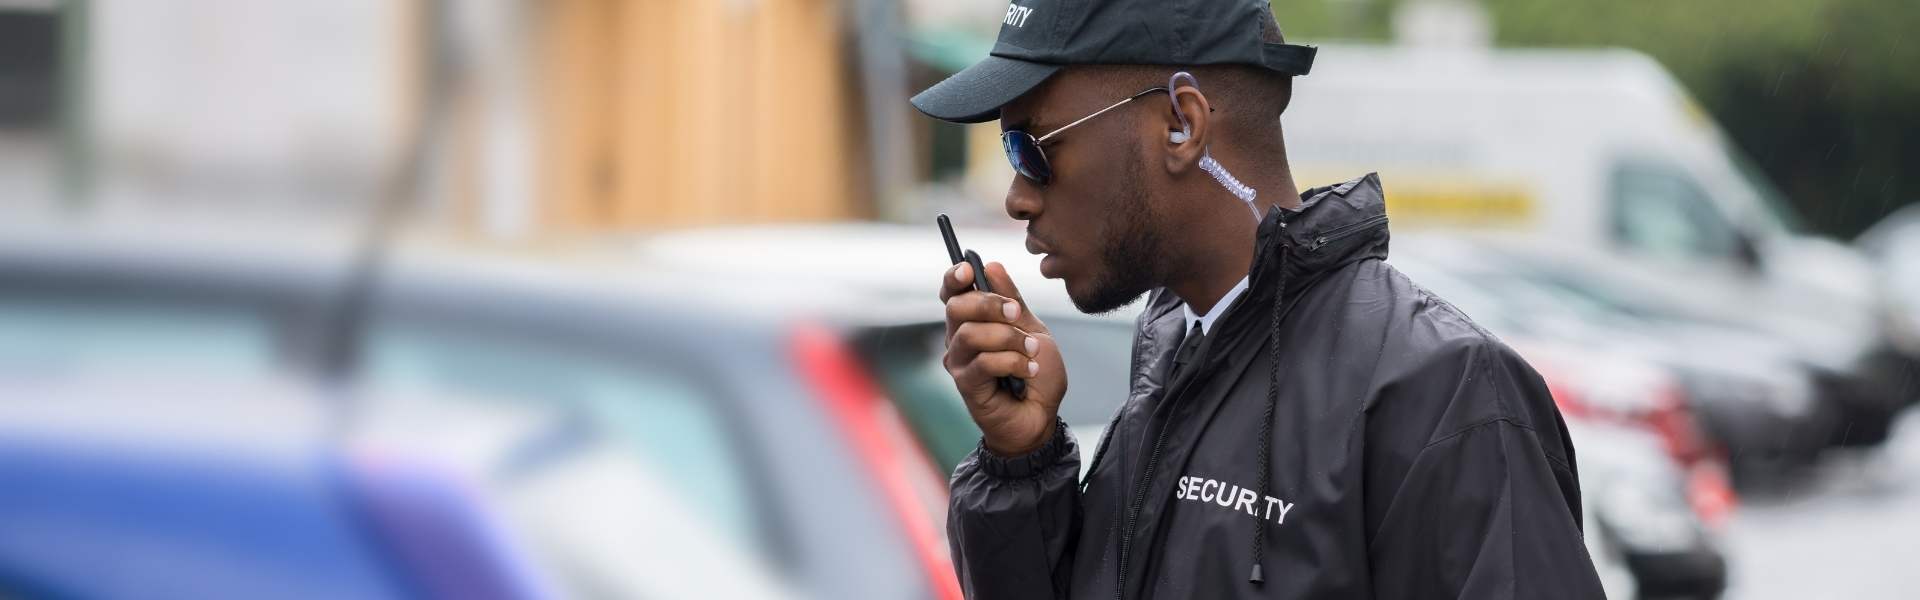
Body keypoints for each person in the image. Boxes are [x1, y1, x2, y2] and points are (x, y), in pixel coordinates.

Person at [916, 1, 1605, 598]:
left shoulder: (1442, 392)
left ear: (1182, 127)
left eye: (1030, 145)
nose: (1016, 196)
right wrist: (1023, 461)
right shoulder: (1172, 366)